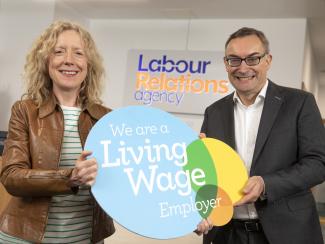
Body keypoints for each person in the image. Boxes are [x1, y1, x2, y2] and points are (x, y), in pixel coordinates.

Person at [200, 27, 325, 244]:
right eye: (234, 60)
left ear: (268, 60)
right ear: (226, 64)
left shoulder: (299, 102)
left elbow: (318, 164)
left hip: (287, 232)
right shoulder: (214, 112)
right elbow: (207, 174)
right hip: (227, 234)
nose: (243, 67)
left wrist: (266, 184)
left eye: (253, 58)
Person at [0, 21, 115, 243]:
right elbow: (11, 176)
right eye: (59, 51)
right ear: (46, 61)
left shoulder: (106, 118)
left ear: (89, 64)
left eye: (79, 53)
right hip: (25, 237)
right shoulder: (24, 111)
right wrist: (69, 177)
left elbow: (133, 178)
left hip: (84, 237)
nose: (69, 60)